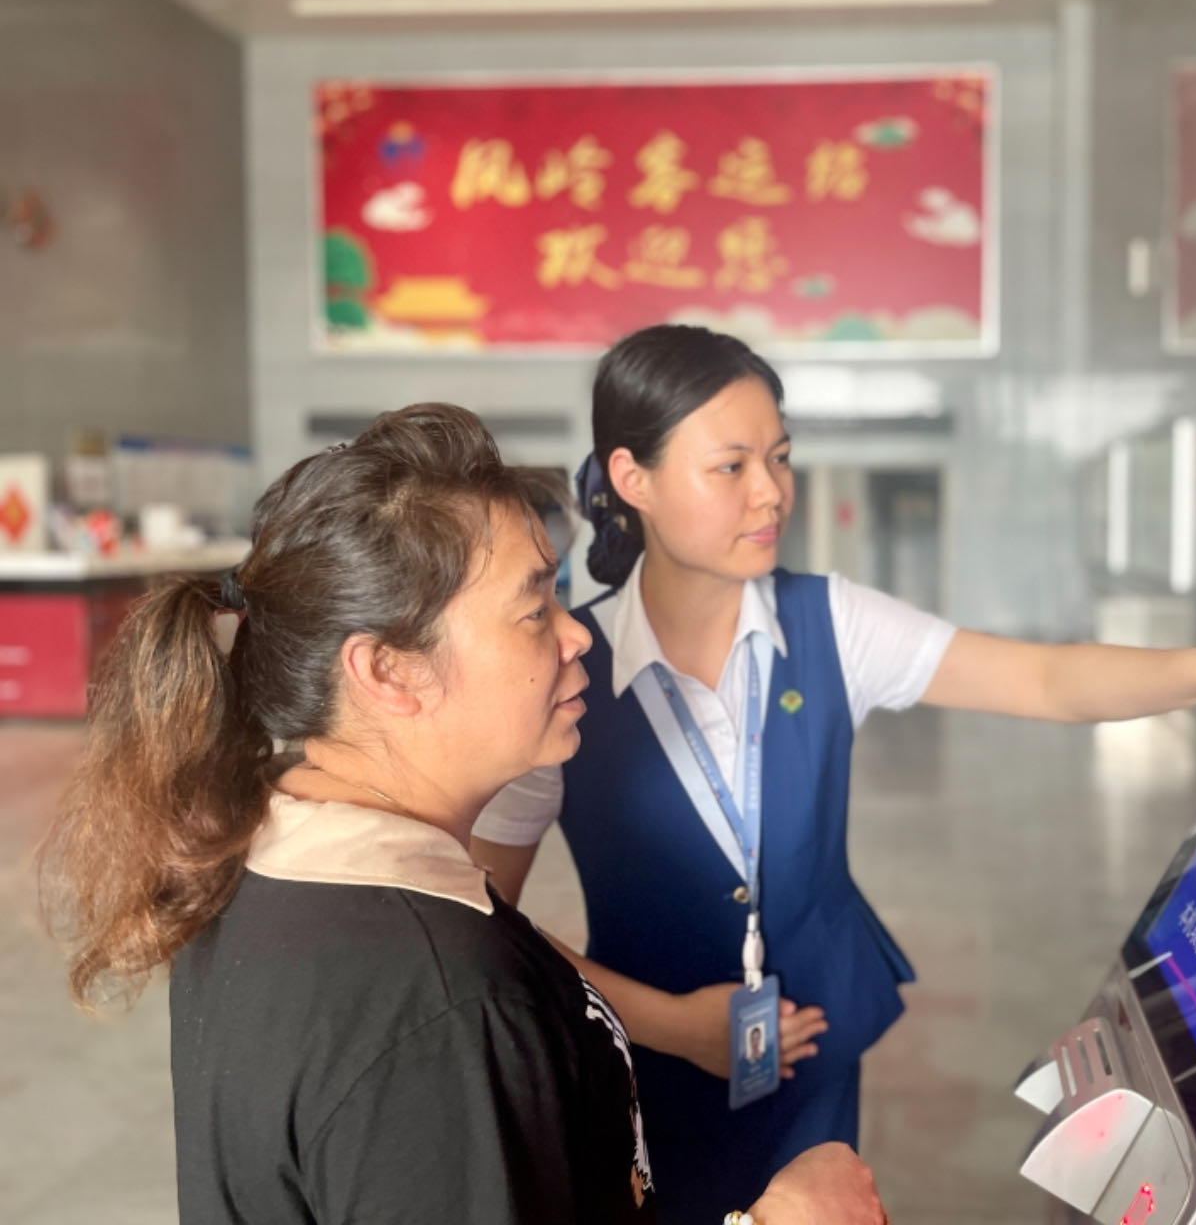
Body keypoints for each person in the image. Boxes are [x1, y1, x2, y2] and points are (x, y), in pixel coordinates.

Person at [469, 325, 1196, 1221]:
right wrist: (673, 1025)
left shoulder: (829, 622)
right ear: (632, 477)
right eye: (732, 467)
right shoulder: (567, 668)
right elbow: (485, 918)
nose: (772, 493)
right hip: (643, 1070)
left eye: (781, 458)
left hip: (812, 1056)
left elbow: (1045, 678)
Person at [37, 404, 885, 1225]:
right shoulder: (441, 1013)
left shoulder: (262, 865)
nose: (577, 636)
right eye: (534, 611)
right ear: (389, 671)